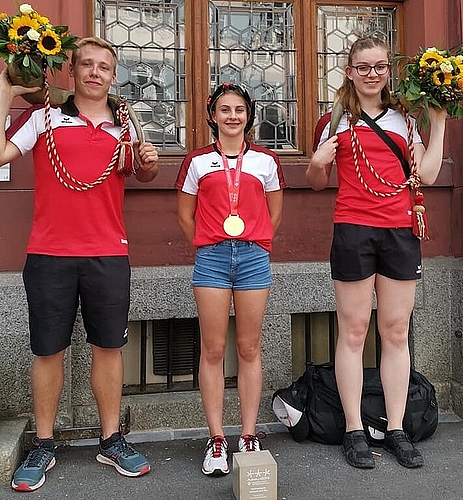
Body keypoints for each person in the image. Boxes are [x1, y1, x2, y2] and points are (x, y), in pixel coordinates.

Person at [0, 37, 159, 492]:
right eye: (85, 64)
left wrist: (147, 161)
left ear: (113, 75)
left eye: (103, 66)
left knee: (108, 347)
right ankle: (44, 443)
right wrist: (6, 91)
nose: (94, 72)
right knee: (47, 351)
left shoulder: (126, 124)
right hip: (49, 253)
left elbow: (140, 171)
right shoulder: (43, 118)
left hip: (108, 253)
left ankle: (111, 439)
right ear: (71, 71)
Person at [305, 37, 447, 469]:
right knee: (352, 330)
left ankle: (397, 427)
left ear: (389, 71)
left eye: (380, 67)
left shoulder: (405, 119)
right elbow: (316, 182)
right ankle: (353, 428)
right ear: (349, 71)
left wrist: (438, 124)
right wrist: (315, 162)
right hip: (353, 229)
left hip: (401, 231)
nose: (372, 74)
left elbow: (425, 173)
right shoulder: (333, 121)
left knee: (396, 330)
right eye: (363, 67)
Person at [175, 83, 285, 475]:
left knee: (250, 347)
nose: (233, 116)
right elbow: (186, 215)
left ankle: (250, 434)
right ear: (213, 116)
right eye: (225, 110)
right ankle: (217, 438)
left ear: (249, 116)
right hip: (213, 259)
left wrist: (254, 242)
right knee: (213, 349)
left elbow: (274, 213)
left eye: (240, 110)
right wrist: (209, 244)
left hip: (254, 257)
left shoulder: (266, 161)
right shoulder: (198, 162)